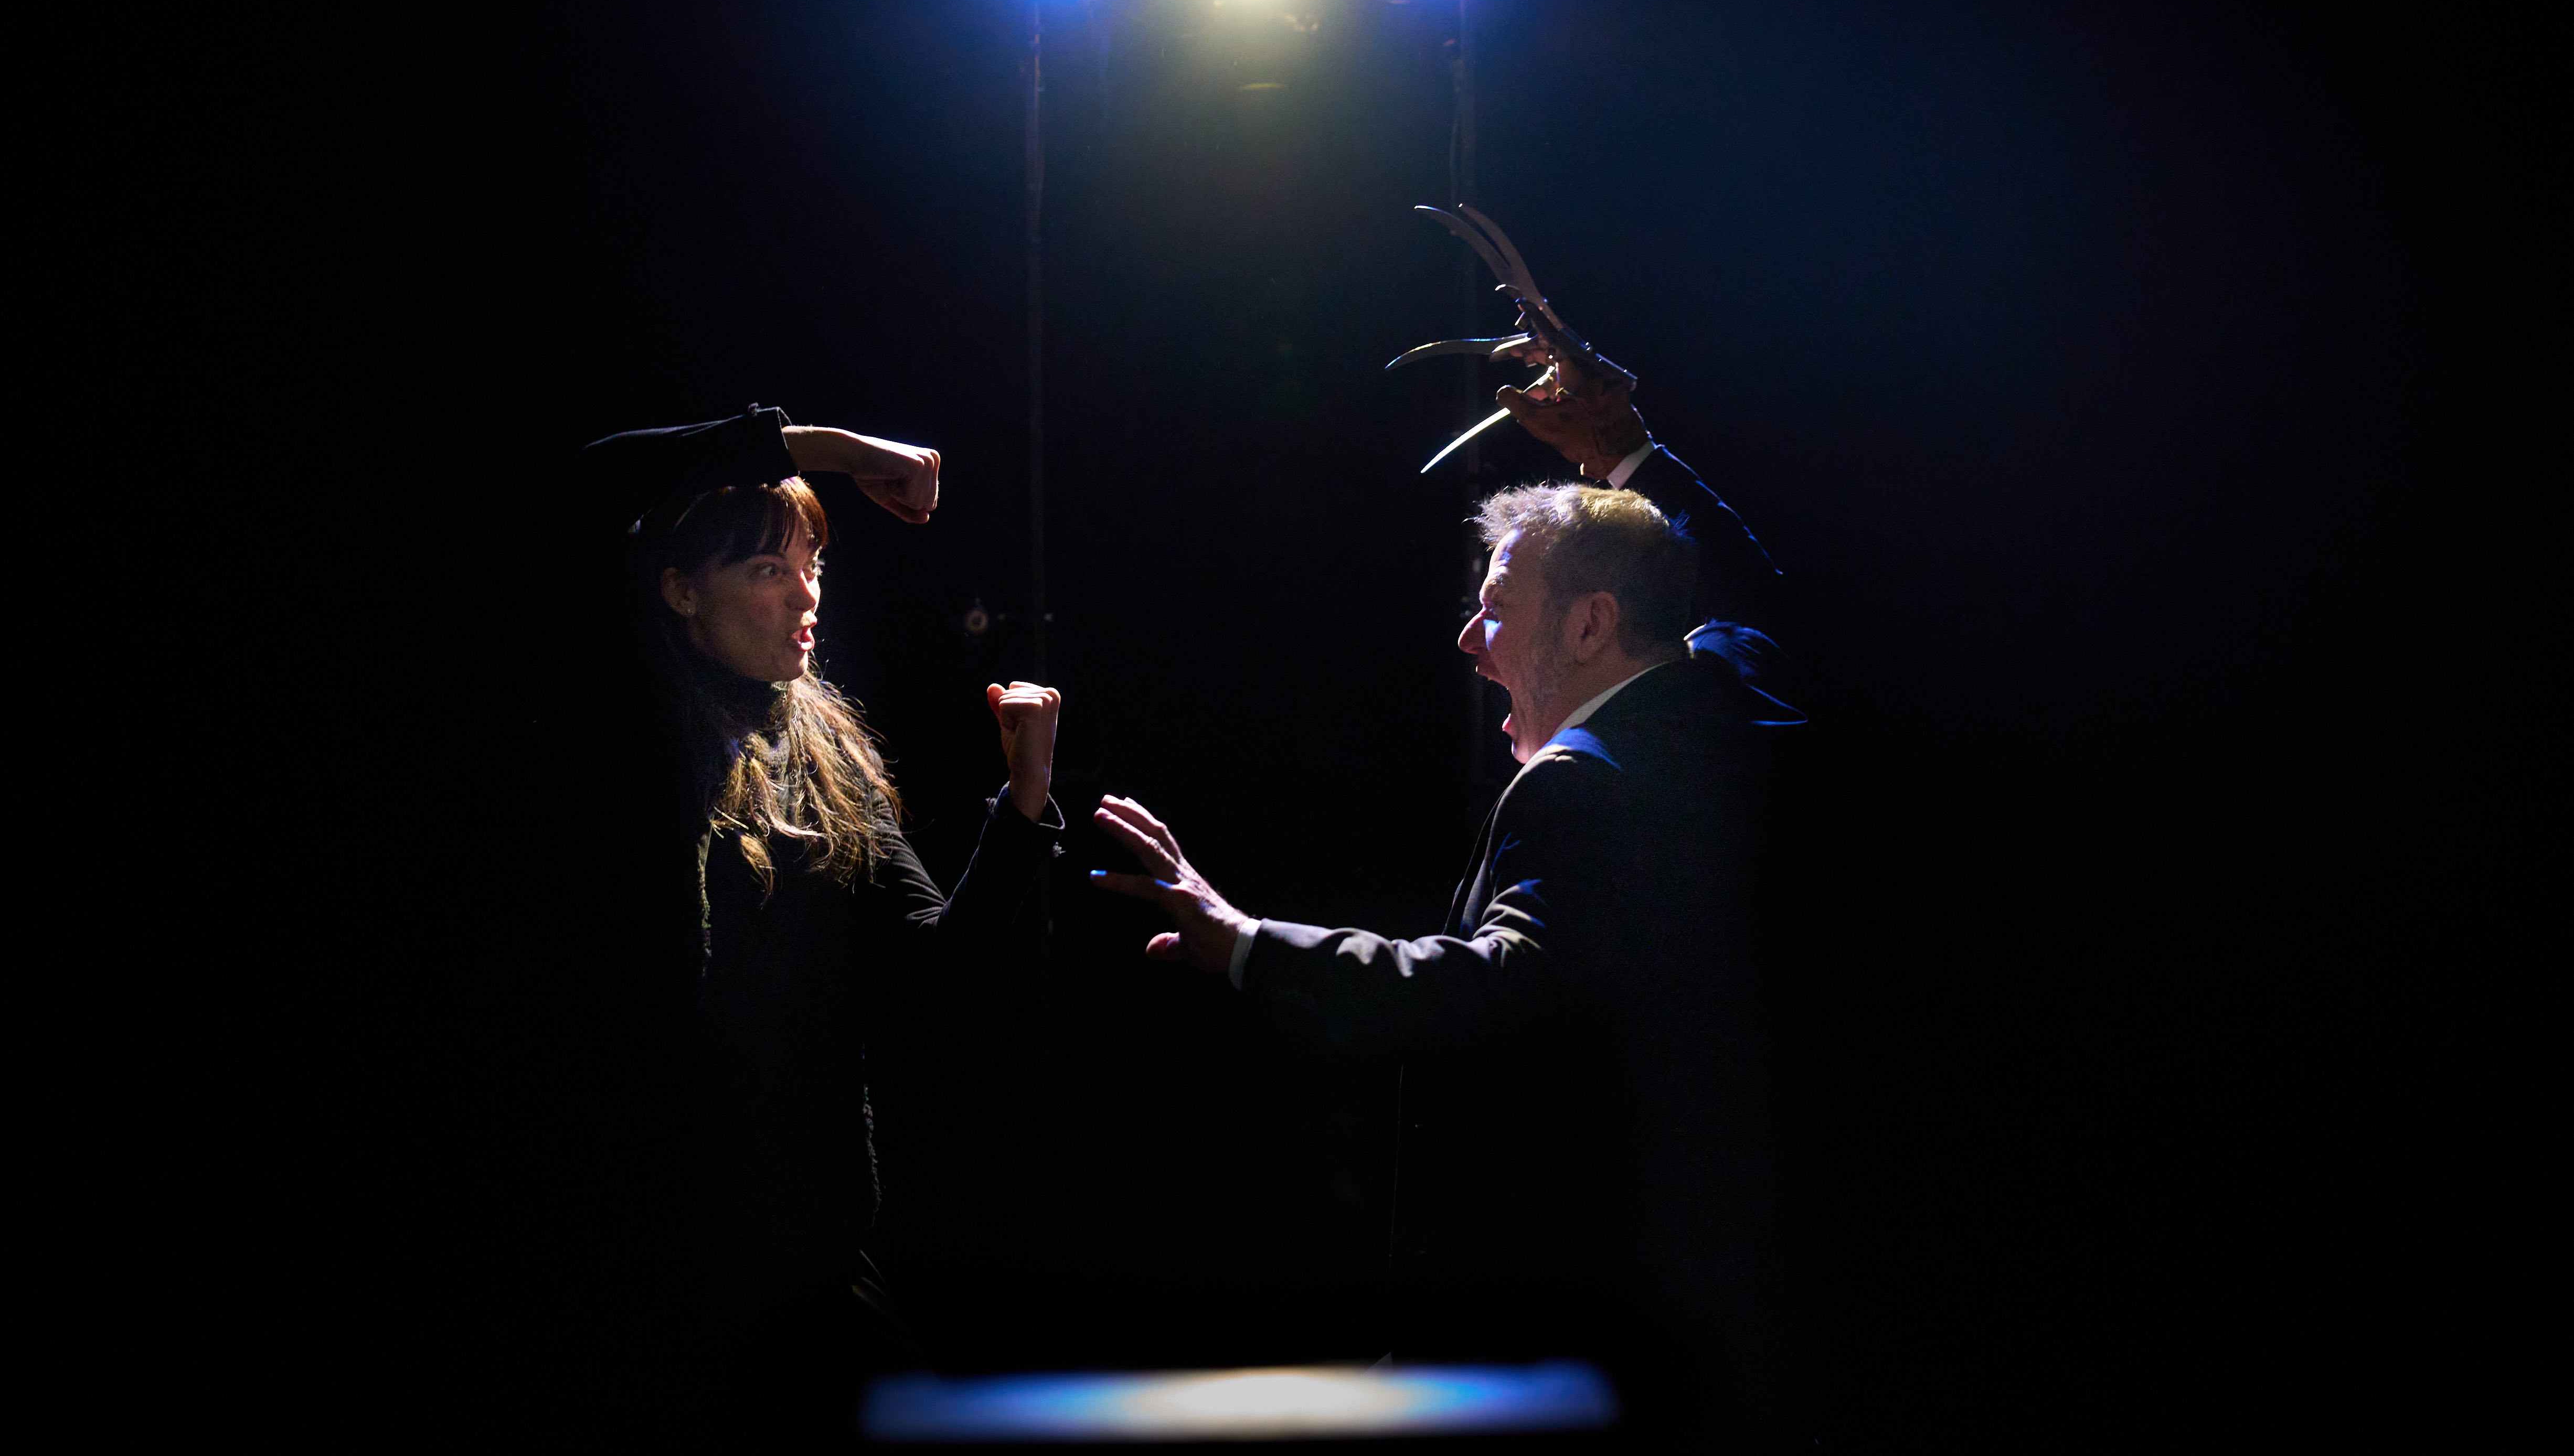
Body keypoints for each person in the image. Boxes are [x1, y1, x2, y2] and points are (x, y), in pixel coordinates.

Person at [1089, 351, 1800, 1439]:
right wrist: (1623, 452)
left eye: (1496, 607)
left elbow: (1493, 985)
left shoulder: (1577, 785)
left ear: (1589, 624)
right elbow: (1742, 588)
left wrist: (1245, 943)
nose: (1469, 638)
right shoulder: (1728, 701)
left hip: (1574, 1322)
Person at [530, 404, 1060, 1438]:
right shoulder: (632, 719)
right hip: (654, 1249)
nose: (806, 594)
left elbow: (936, 976)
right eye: (768, 569)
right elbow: (595, 480)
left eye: (812, 563)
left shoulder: (826, 763)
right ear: (681, 592)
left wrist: (1025, 801)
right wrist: (845, 453)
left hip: (807, 1245)